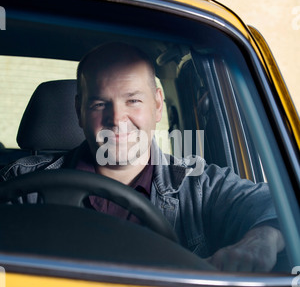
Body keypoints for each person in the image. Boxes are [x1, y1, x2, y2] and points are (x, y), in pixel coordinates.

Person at [0, 42, 284, 272]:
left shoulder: (199, 186)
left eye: (133, 100)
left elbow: (284, 206)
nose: (117, 119)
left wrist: (262, 239)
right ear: (79, 111)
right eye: (100, 103)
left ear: (158, 105)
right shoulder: (25, 185)